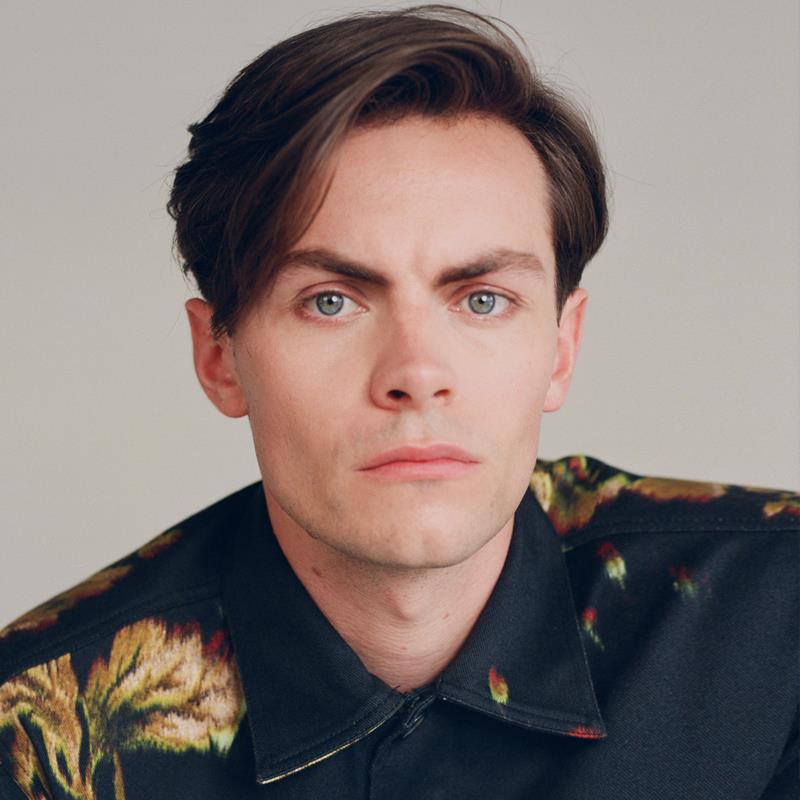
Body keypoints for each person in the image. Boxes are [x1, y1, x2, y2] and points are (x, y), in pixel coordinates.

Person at [0, 4, 796, 798]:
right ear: (220, 358)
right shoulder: (33, 733)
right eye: (331, 302)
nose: (416, 373)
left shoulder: (778, 617)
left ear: (562, 346)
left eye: (482, 300)